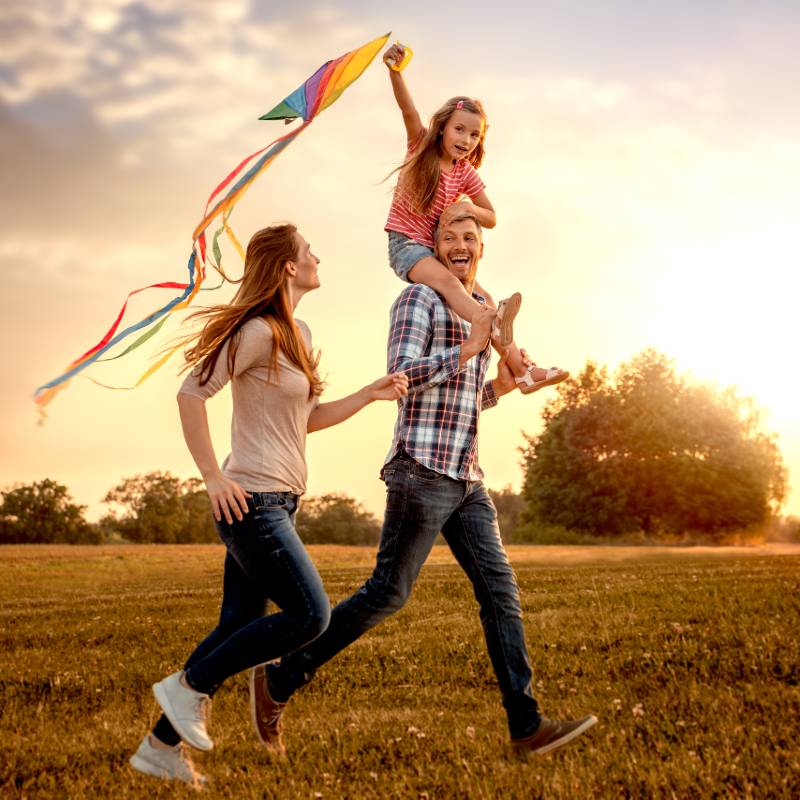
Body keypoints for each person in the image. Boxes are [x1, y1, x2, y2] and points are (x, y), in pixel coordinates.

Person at [254, 213, 596, 756]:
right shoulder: (418, 301)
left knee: (500, 592)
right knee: (387, 593)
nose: (461, 246)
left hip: (467, 475)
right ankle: (281, 679)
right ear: (432, 250)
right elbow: (401, 377)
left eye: (471, 239)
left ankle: (526, 728)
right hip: (420, 471)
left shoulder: (476, 309)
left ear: (480, 250)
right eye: (449, 238)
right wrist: (468, 349)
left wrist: (500, 388)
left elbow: (463, 401)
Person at [129, 223, 408, 787]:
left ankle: (159, 748)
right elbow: (191, 393)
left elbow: (305, 420)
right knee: (311, 615)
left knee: (238, 622)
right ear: (287, 266)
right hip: (249, 500)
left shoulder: (297, 331)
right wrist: (212, 476)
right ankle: (187, 687)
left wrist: (368, 394)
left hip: (280, 499)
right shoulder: (256, 330)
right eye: (309, 251)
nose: (316, 257)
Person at [382, 41, 568, 395]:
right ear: (442, 128)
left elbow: (491, 216)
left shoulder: (464, 172)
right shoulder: (421, 147)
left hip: (434, 251)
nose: (466, 140)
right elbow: (407, 111)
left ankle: (523, 372)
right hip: (407, 247)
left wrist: (468, 208)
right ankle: (488, 324)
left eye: (474, 135)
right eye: (459, 130)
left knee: (485, 298)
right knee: (456, 289)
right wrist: (396, 72)